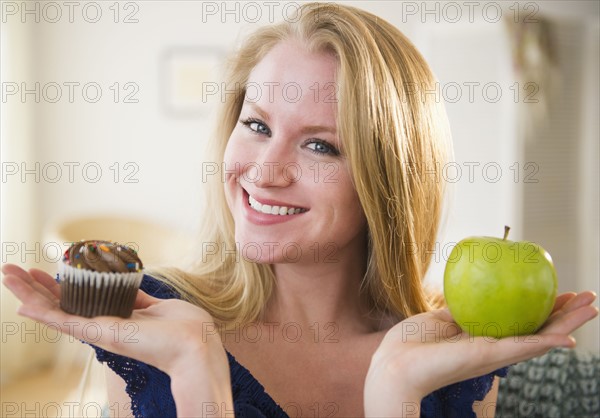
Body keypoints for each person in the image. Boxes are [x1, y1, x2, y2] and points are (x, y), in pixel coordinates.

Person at [3, 3, 598, 417]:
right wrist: (195, 368)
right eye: (257, 125)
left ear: (387, 181)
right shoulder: (156, 323)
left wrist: (397, 393)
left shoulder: (452, 354)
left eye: (320, 145)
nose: (264, 170)